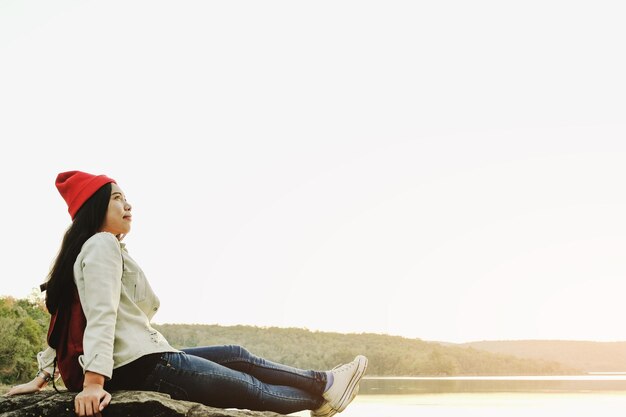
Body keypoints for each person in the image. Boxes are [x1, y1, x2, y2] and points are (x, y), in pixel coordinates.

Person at [7, 170, 368, 417]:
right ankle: (324, 393)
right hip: (144, 364)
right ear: (95, 208)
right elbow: (102, 314)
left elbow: (70, 319)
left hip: (145, 358)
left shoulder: (97, 249)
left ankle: (325, 385)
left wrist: (42, 377)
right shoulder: (101, 245)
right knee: (251, 390)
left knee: (236, 354)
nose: (127, 205)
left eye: (126, 198)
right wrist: (93, 383)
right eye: (117, 198)